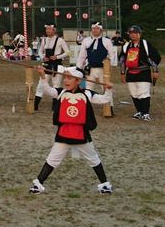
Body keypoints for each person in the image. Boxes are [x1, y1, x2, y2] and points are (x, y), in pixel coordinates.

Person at [28, 66, 114, 195]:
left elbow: (105, 99)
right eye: (65, 78)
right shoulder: (61, 92)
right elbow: (47, 89)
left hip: (81, 134)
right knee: (52, 159)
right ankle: (38, 184)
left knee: (93, 159)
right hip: (64, 133)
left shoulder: (87, 93)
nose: (65, 81)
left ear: (78, 81)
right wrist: (42, 76)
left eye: (69, 78)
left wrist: (108, 89)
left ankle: (105, 185)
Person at [119, 25, 161, 121]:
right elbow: (122, 60)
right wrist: (122, 73)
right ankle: (140, 112)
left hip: (144, 72)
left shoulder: (145, 44)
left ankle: (146, 113)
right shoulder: (126, 46)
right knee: (134, 93)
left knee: (143, 93)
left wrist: (155, 71)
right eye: (131, 33)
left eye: (135, 33)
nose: (132, 35)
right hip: (130, 72)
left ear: (139, 34)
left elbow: (154, 57)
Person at [75, 21, 117, 115]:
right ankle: (87, 107)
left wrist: (109, 65)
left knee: (106, 88)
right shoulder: (86, 41)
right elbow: (82, 56)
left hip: (103, 69)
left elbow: (112, 55)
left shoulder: (107, 41)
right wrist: (78, 68)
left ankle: (109, 108)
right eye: (93, 28)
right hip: (90, 69)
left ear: (101, 30)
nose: (95, 30)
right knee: (88, 88)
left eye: (97, 28)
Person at [33, 24, 69, 112]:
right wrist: (42, 57)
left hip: (57, 65)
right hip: (46, 65)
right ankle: (35, 106)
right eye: (46, 29)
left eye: (49, 29)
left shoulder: (60, 40)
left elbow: (68, 52)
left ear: (54, 30)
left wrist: (57, 57)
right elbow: (40, 51)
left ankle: (55, 108)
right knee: (41, 85)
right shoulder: (44, 40)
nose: (47, 31)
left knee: (56, 86)